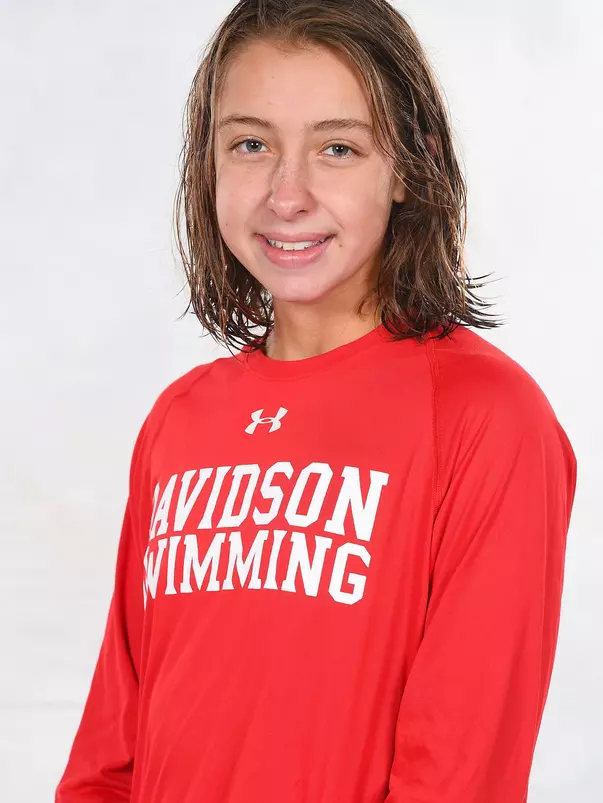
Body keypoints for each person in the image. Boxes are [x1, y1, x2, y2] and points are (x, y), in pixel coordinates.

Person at [55, 1, 578, 801]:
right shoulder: (180, 419)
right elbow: (109, 754)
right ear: (208, 164)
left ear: (408, 165)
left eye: (337, 147)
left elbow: (460, 770)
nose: (286, 193)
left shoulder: (486, 415)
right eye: (251, 144)